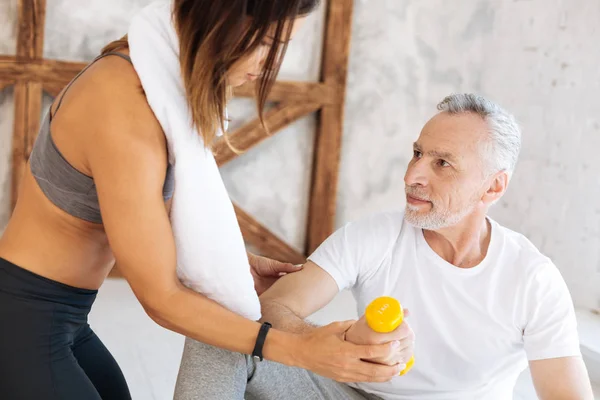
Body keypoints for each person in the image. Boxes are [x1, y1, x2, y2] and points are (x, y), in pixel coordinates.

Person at [0, 1, 406, 399]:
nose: (268, 64)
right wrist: (301, 350)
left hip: (64, 317)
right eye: (264, 42)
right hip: (22, 318)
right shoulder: (123, 103)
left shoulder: (156, 81)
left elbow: (140, 219)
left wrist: (233, 263)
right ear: (219, 16)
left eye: (281, 48)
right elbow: (161, 298)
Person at [174, 93, 594, 400]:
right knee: (220, 332)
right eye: (416, 153)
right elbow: (275, 307)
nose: (412, 175)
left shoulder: (532, 279)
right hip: (351, 394)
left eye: (441, 163)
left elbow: (566, 394)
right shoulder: (373, 236)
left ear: (493, 186)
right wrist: (323, 345)